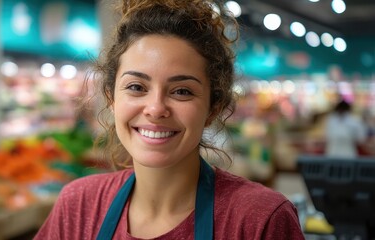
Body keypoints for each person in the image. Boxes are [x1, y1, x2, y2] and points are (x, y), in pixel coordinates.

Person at [34, 0, 305, 239]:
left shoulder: (260, 219)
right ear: (111, 97)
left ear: (213, 107)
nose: (155, 108)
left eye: (182, 91)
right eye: (137, 87)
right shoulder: (78, 206)